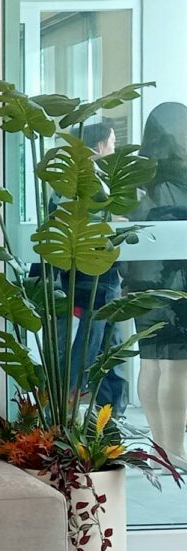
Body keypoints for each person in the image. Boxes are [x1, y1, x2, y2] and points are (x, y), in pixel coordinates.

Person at [125, 102, 187, 469]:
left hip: (141, 279)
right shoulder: (179, 176)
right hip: (176, 279)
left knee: (151, 363)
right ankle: (174, 450)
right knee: (177, 365)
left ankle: (159, 447)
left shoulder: (138, 175)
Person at [59, 119, 129, 417]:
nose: (114, 148)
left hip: (99, 278)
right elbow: (80, 223)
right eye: (112, 143)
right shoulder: (85, 182)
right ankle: (69, 412)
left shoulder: (81, 179)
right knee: (89, 348)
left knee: (107, 345)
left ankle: (109, 414)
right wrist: (115, 223)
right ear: (99, 146)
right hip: (92, 280)